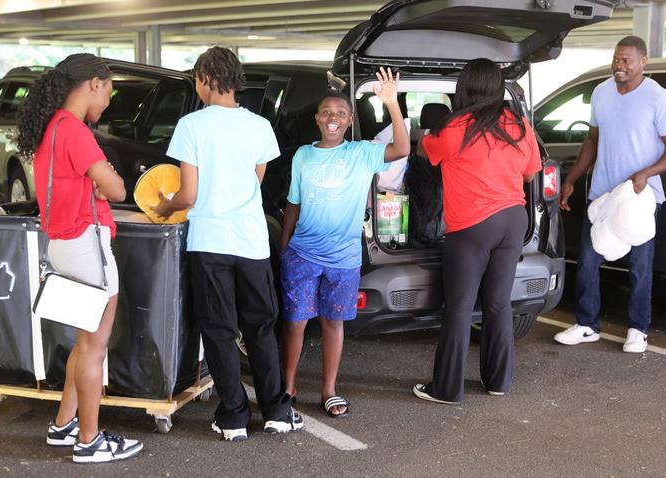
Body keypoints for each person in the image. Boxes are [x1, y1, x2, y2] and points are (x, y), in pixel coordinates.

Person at [154, 46, 301, 441]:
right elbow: (255, 179)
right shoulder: (258, 126)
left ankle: (234, 416)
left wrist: (165, 206)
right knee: (261, 327)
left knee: (219, 329)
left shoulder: (192, 126)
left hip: (210, 241)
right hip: (251, 240)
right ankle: (277, 410)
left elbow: (187, 195)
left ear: (204, 79)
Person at [17, 53, 143, 463]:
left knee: (83, 342)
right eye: (108, 90)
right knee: (94, 346)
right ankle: (89, 441)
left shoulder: (50, 128)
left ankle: (63, 424)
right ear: (93, 84)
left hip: (63, 243)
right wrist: (106, 177)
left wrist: (98, 181)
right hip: (87, 245)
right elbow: (119, 190)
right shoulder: (75, 131)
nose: (108, 99)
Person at [279, 68, 409, 417]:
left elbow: (401, 148)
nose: (332, 118)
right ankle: (287, 387)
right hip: (302, 253)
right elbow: (294, 201)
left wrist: (392, 104)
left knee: (333, 324)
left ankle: (329, 390)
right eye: (326, 112)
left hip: (344, 257)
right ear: (317, 119)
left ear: (349, 120)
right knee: (295, 322)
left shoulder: (362, 153)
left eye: (339, 113)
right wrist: (285, 243)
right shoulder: (303, 156)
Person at [412, 58, 541, 405]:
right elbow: (531, 174)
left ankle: (447, 389)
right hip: (514, 220)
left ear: (464, 88)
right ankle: (498, 382)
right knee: (499, 304)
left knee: (460, 307)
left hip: (473, 225)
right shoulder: (518, 125)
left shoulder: (454, 128)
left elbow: (426, 155)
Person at [553, 35, 666, 353]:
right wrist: (572, 178)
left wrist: (646, 173)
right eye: (616, 58)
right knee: (587, 260)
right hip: (603, 194)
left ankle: (638, 330)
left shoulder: (658, 98)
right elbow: (592, 141)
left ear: (643, 61)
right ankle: (587, 325)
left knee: (639, 265)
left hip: (640, 196)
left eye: (626, 60)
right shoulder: (600, 93)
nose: (619, 65)